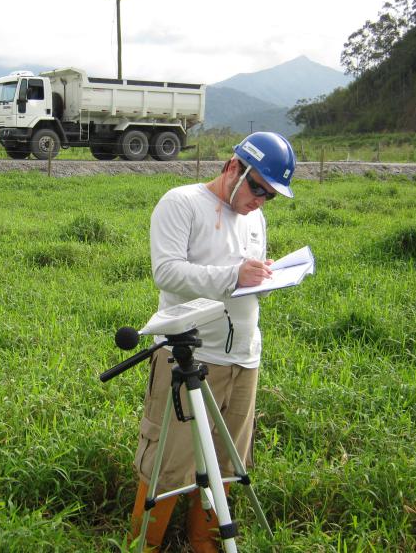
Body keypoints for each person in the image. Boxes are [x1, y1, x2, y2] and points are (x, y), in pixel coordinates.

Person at [130, 132, 297, 552]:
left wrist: (264, 274)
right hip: (190, 355)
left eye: (271, 195)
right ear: (232, 167)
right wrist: (232, 276)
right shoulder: (181, 202)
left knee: (225, 465)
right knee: (167, 465)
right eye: (257, 187)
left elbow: (246, 271)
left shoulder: (255, 217)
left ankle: (204, 544)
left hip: (244, 357)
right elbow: (166, 271)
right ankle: (142, 544)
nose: (260, 200)